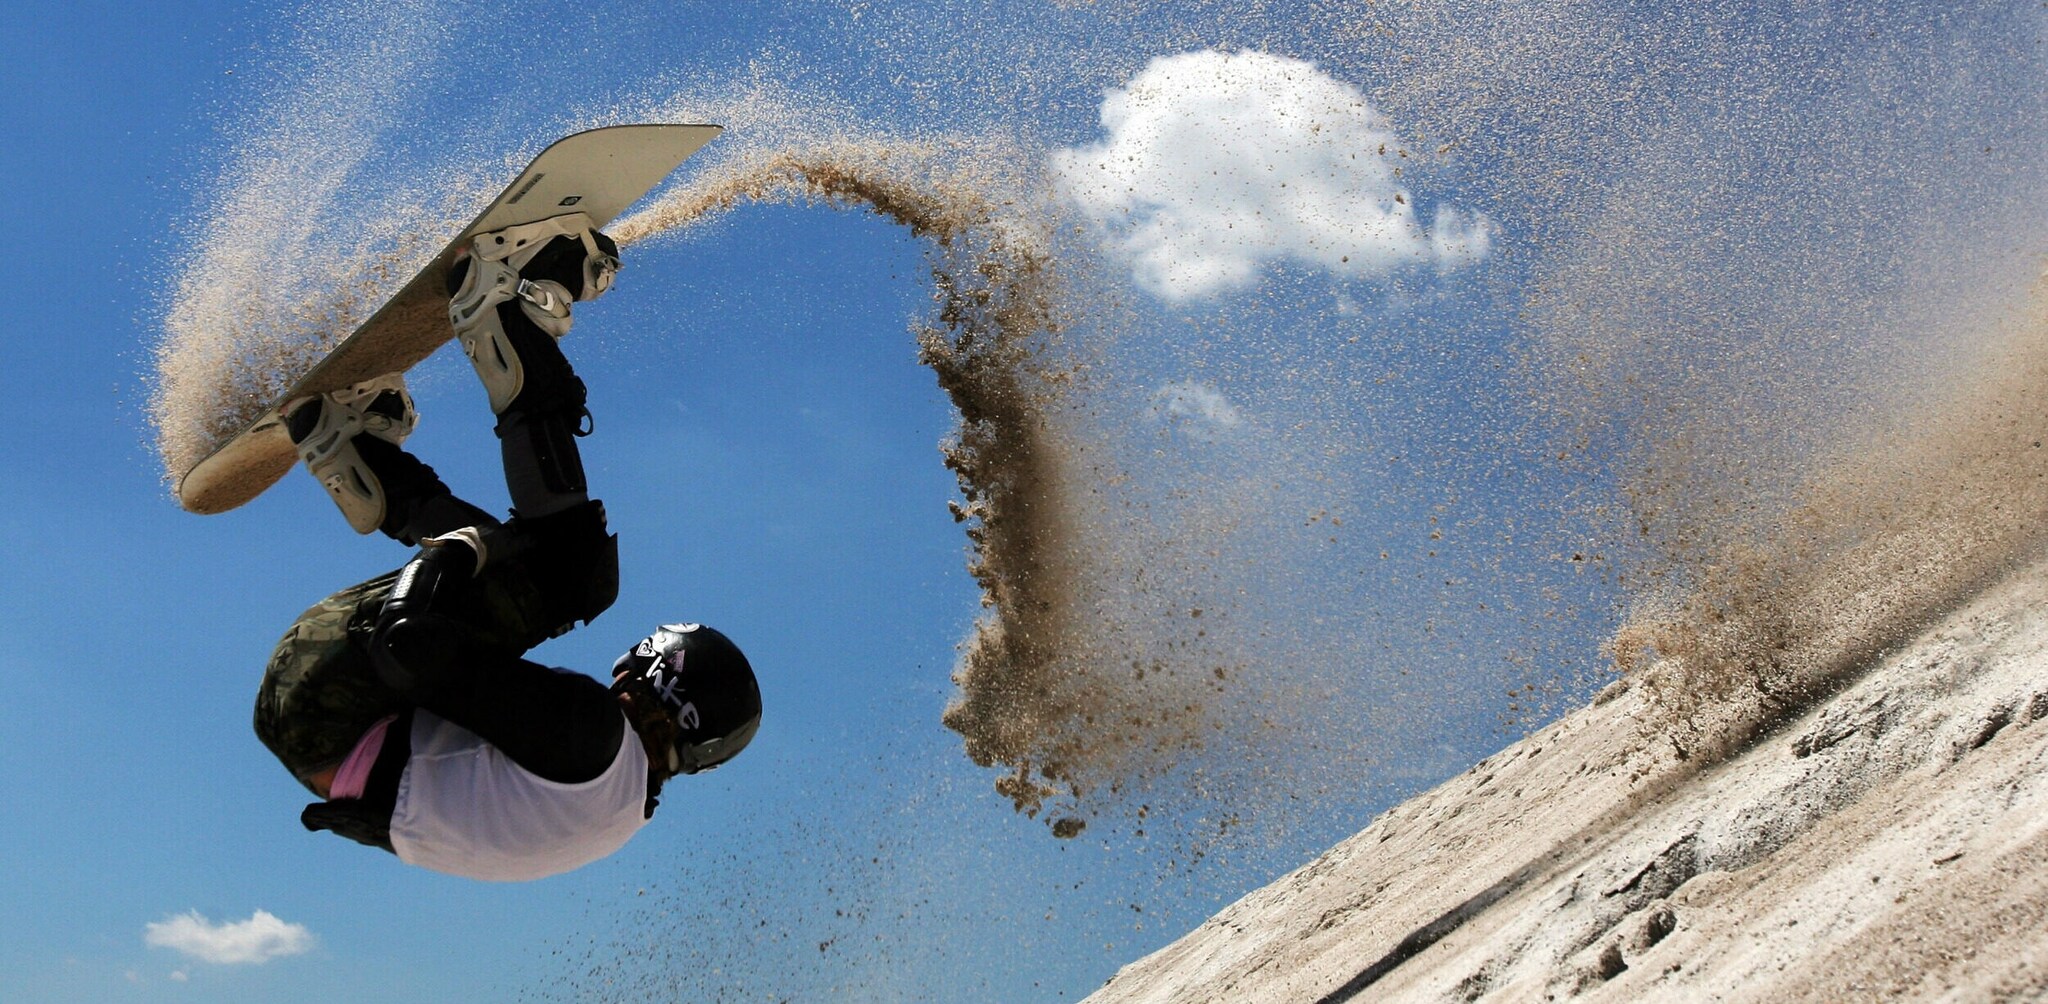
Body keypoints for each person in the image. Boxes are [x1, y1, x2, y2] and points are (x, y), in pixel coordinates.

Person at [254, 216, 761, 881]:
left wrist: (445, 557)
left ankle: (504, 307)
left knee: (572, 571)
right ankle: (352, 454)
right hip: (324, 741)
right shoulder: (612, 812)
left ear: (654, 667)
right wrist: (471, 553)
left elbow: (409, 646)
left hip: (329, 698)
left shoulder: (590, 736)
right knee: (521, 570)